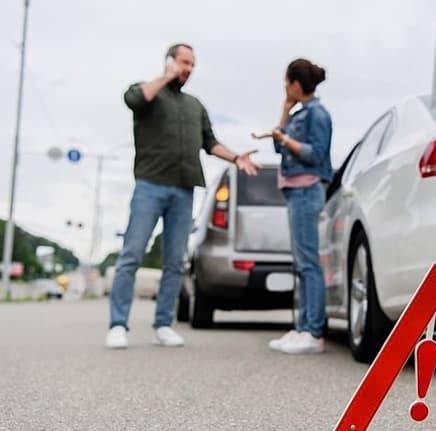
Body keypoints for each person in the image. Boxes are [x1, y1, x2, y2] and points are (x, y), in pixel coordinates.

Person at [106, 43, 260, 349]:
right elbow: (134, 100)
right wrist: (165, 76)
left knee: (175, 261)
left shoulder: (195, 105)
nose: (188, 68)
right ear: (170, 61)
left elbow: (210, 142)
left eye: (192, 64)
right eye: (184, 62)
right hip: (150, 186)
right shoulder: (147, 91)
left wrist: (236, 158)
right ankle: (118, 325)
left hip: (184, 190)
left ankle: (163, 324)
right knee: (131, 255)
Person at [263, 59, 333, 354]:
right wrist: (284, 114)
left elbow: (316, 154)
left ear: (295, 83)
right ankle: (302, 328)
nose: (284, 88)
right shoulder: (299, 113)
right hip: (295, 191)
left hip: (307, 189)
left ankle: (313, 333)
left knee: (308, 264)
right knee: (301, 264)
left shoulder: (317, 114)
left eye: (286, 83)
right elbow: (278, 146)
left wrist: (287, 139)